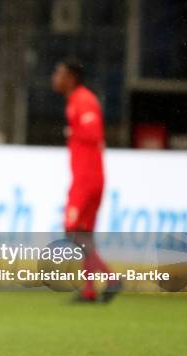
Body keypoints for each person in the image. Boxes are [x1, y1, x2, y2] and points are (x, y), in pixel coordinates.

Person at [51, 59, 121, 302]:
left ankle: (110, 278)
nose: (55, 78)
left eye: (59, 73)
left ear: (70, 78)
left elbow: (93, 133)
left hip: (86, 179)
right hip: (91, 177)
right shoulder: (76, 100)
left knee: (72, 232)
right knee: (85, 234)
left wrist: (72, 132)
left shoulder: (83, 99)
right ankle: (89, 290)